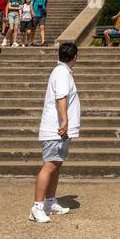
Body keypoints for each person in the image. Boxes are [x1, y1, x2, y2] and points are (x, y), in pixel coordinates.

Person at [31, 42, 80, 224]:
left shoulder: (63, 72)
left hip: (59, 130)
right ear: (74, 57)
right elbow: (61, 97)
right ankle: (37, 206)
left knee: (56, 165)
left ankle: (50, 201)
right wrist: (65, 120)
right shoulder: (61, 73)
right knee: (49, 165)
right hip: (55, 129)